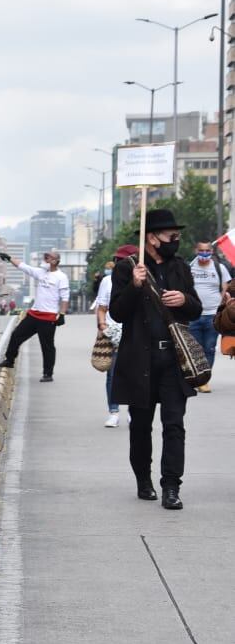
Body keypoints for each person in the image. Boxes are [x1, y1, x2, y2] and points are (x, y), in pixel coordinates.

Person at [109, 209, 201, 510]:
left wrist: (184, 300)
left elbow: (196, 308)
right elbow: (117, 313)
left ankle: (171, 487)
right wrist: (135, 287)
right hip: (140, 360)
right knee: (141, 426)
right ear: (151, 238)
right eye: (171, 236)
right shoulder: (127, 268)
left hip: (174, 359)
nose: (176, 241)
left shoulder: (179, 268)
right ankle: (144, 481)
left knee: (174, 425)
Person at [0, 250, 69, 382]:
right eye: (45, 256)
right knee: (16, 335)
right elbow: (23, 266)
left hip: (49, 317)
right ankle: (10, 360)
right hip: (34, 314)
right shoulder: (41, 273)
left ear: (55, 261)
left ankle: (48, 374)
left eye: (48, 257)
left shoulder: (61, 277)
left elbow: (65, 298)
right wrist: (9, 257)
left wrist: (62, 314)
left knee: (47, 346)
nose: (45, 259)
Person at [95, 245, 136, 428]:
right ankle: (113, 411)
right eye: (117, 260)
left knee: (136, 374)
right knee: (112, 374)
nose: (119, 264)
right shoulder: (107, 281)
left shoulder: (142, 279)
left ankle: (133, 411)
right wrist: (103, 326)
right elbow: (102, 307)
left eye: (123, 260)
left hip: (136, 333)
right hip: (113, 333)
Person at [187, 240, 230, 393]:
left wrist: (221, 299)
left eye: (207, 251)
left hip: (212, 315)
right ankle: (196, 376)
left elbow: (225, 285)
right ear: (196, 250)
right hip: (194, 315)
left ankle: (204, 380)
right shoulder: (189, 268)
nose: (204, 253)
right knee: (195, 349)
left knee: (209, 349)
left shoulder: (219, 268)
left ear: (211, 251)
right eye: (201, 250)